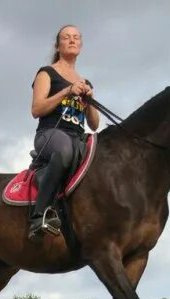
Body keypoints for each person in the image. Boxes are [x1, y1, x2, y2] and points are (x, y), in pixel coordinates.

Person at [28, 24, 100, 239]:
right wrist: (67, 90)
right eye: (66, 37)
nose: (72, 40)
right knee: (65, 151)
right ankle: (39, 216)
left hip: (78, 136)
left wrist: (90, 100)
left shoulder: (85, 81)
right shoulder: (46, 73)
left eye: (76, 37)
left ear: (81, 45)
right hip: (50, 134)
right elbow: (36, 109)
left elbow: (94, 124)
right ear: (57, 46)